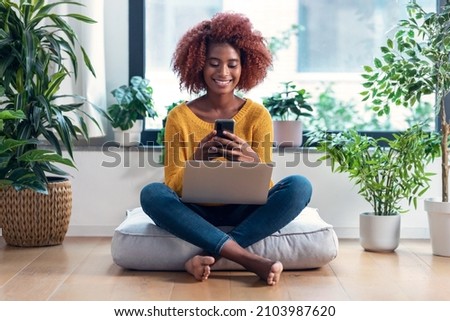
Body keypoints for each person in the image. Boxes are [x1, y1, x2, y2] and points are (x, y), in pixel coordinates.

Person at [140, 12, 312, 286]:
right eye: (214, 63)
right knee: (152, 194)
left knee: (300, 186)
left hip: (243, 209)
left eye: (232, 64)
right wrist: (197, 160)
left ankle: (210, 255)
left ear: (245, 67)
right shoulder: (178, 117)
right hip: (195, 211)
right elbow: (172, 185)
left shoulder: (258, 115)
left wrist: (253, 161)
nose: (223, 73)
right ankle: (250, 260)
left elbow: (264, 190)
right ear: (198, 65)